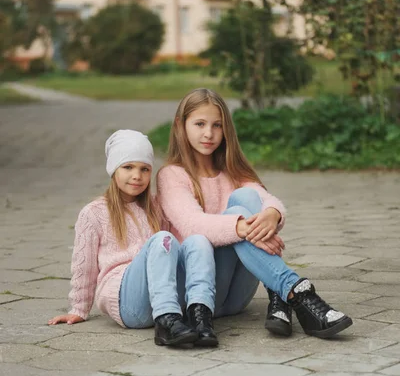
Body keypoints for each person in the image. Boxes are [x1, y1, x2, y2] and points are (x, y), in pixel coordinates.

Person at [157, 88, 353, 340]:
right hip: (199, 299)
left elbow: (265, 199)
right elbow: (191, 224)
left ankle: (282, 295)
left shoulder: (231, 171)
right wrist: (241, 227)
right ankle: (295, 294)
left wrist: (272, 214)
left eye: (217, 125)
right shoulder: (171, 175)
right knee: (240, 212)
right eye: (199, 124)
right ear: (179, 125)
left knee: (248, 199)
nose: (209, 133)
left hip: (236, 299)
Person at [48, 129, 217, 348]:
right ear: (113, 170)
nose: (136, 175)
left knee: (196, 240)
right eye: (128, 167)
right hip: (126, 302)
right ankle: (166, 323)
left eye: (144, 169)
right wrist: (78, 309)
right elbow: (84, 265)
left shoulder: (157, 207)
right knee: (162, 239)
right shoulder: (94, 213)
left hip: (159, 300)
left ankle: (200, 319)